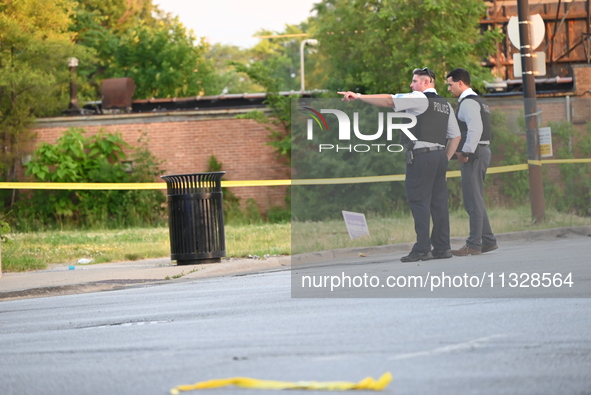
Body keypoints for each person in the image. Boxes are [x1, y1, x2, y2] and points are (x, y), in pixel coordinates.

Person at [339, 68, 461, 262]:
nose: (411, 85)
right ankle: (442, 247)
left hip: (421, 156)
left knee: (419, 202)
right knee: (438, 205)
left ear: (427, 81)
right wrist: (444, 160)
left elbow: (389, 100)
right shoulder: (444, 104)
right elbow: (455, 136)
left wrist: (359, 96)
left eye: (414, 81)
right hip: (439, 156)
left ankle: (422, 249)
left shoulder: (419, 98)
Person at [445, 68, 498, 256]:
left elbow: (475, 129)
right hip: (482, 151)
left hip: (474, 154)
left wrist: (465, 152)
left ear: (461, 83)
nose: (449, 88)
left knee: (472, 200)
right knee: (476, 198)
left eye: (450, 84)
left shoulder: (467, 103)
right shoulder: (479, 101)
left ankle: (474, 244)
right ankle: (488, 240)